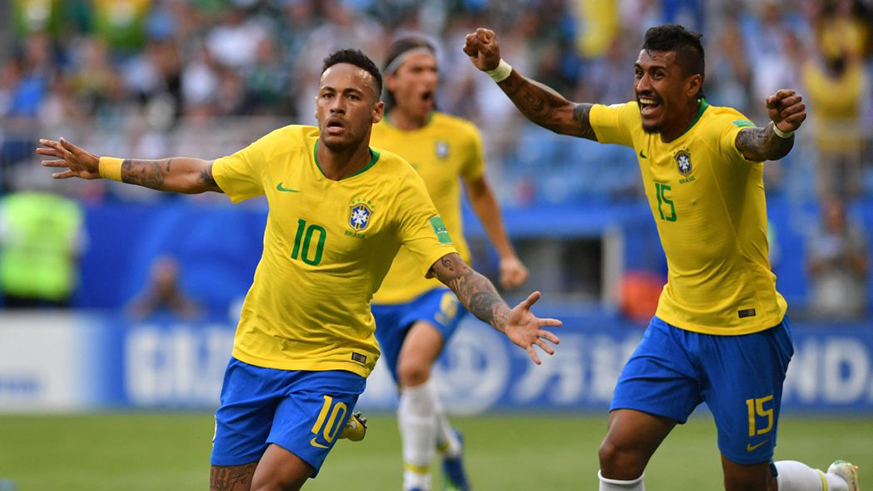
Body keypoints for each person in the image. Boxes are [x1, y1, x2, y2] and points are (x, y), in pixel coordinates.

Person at [37, 48, 561, 491]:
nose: (336, 107)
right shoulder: (283, 148)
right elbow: (197, 174)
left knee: (269, 485)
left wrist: (501, 317)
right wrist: (101, 166)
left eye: (351, 97)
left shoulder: (398, 184)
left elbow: (453, 270)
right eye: (327, 95)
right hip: (255, 350)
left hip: (334, 358)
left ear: (377, 112)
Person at [463, 24, 860, 491]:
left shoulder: (718, 129)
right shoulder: (636, 121)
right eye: (638, 72)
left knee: (749, 484)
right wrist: (498, 70)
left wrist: (779, 129)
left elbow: (760, 144)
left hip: (745, 332)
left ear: (692, 85)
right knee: (617, 453)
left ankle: (830, 486)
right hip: (675, 325)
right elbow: (559, 112)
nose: (642, 85)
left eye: (657, 74)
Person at [369, 36, 529, 491]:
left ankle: (416, 482)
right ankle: (449, 446)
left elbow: (480, 191)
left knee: (414, 369)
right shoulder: (370, 138)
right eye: (417, 70)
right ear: (393, 82)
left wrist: (507, 254)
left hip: (444, 280)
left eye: (433, 70)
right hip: (381, 291)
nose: (428, 78)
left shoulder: (460, 136)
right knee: (412, 390)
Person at [807, 196, 868, 320]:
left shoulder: (856, 235)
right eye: (830, 218)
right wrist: (825, 259)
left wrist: (846, 254)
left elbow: (864, 269)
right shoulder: (816, 235)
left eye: (837, 218)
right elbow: (810, 270)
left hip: (851, 306)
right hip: (823, 306)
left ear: (844, 218)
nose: (834, 223)